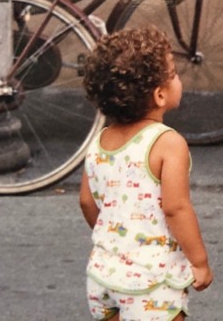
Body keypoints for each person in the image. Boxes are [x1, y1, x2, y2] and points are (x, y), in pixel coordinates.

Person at [79, 27, 214, 321]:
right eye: (174, 73)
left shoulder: (99, 142)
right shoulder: (168, 143)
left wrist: (118, 243)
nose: (179, 78)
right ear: (160, 94)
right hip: (151, 283)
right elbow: (176, 208)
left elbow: (88, 203)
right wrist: (199, 261)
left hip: (103, 274)